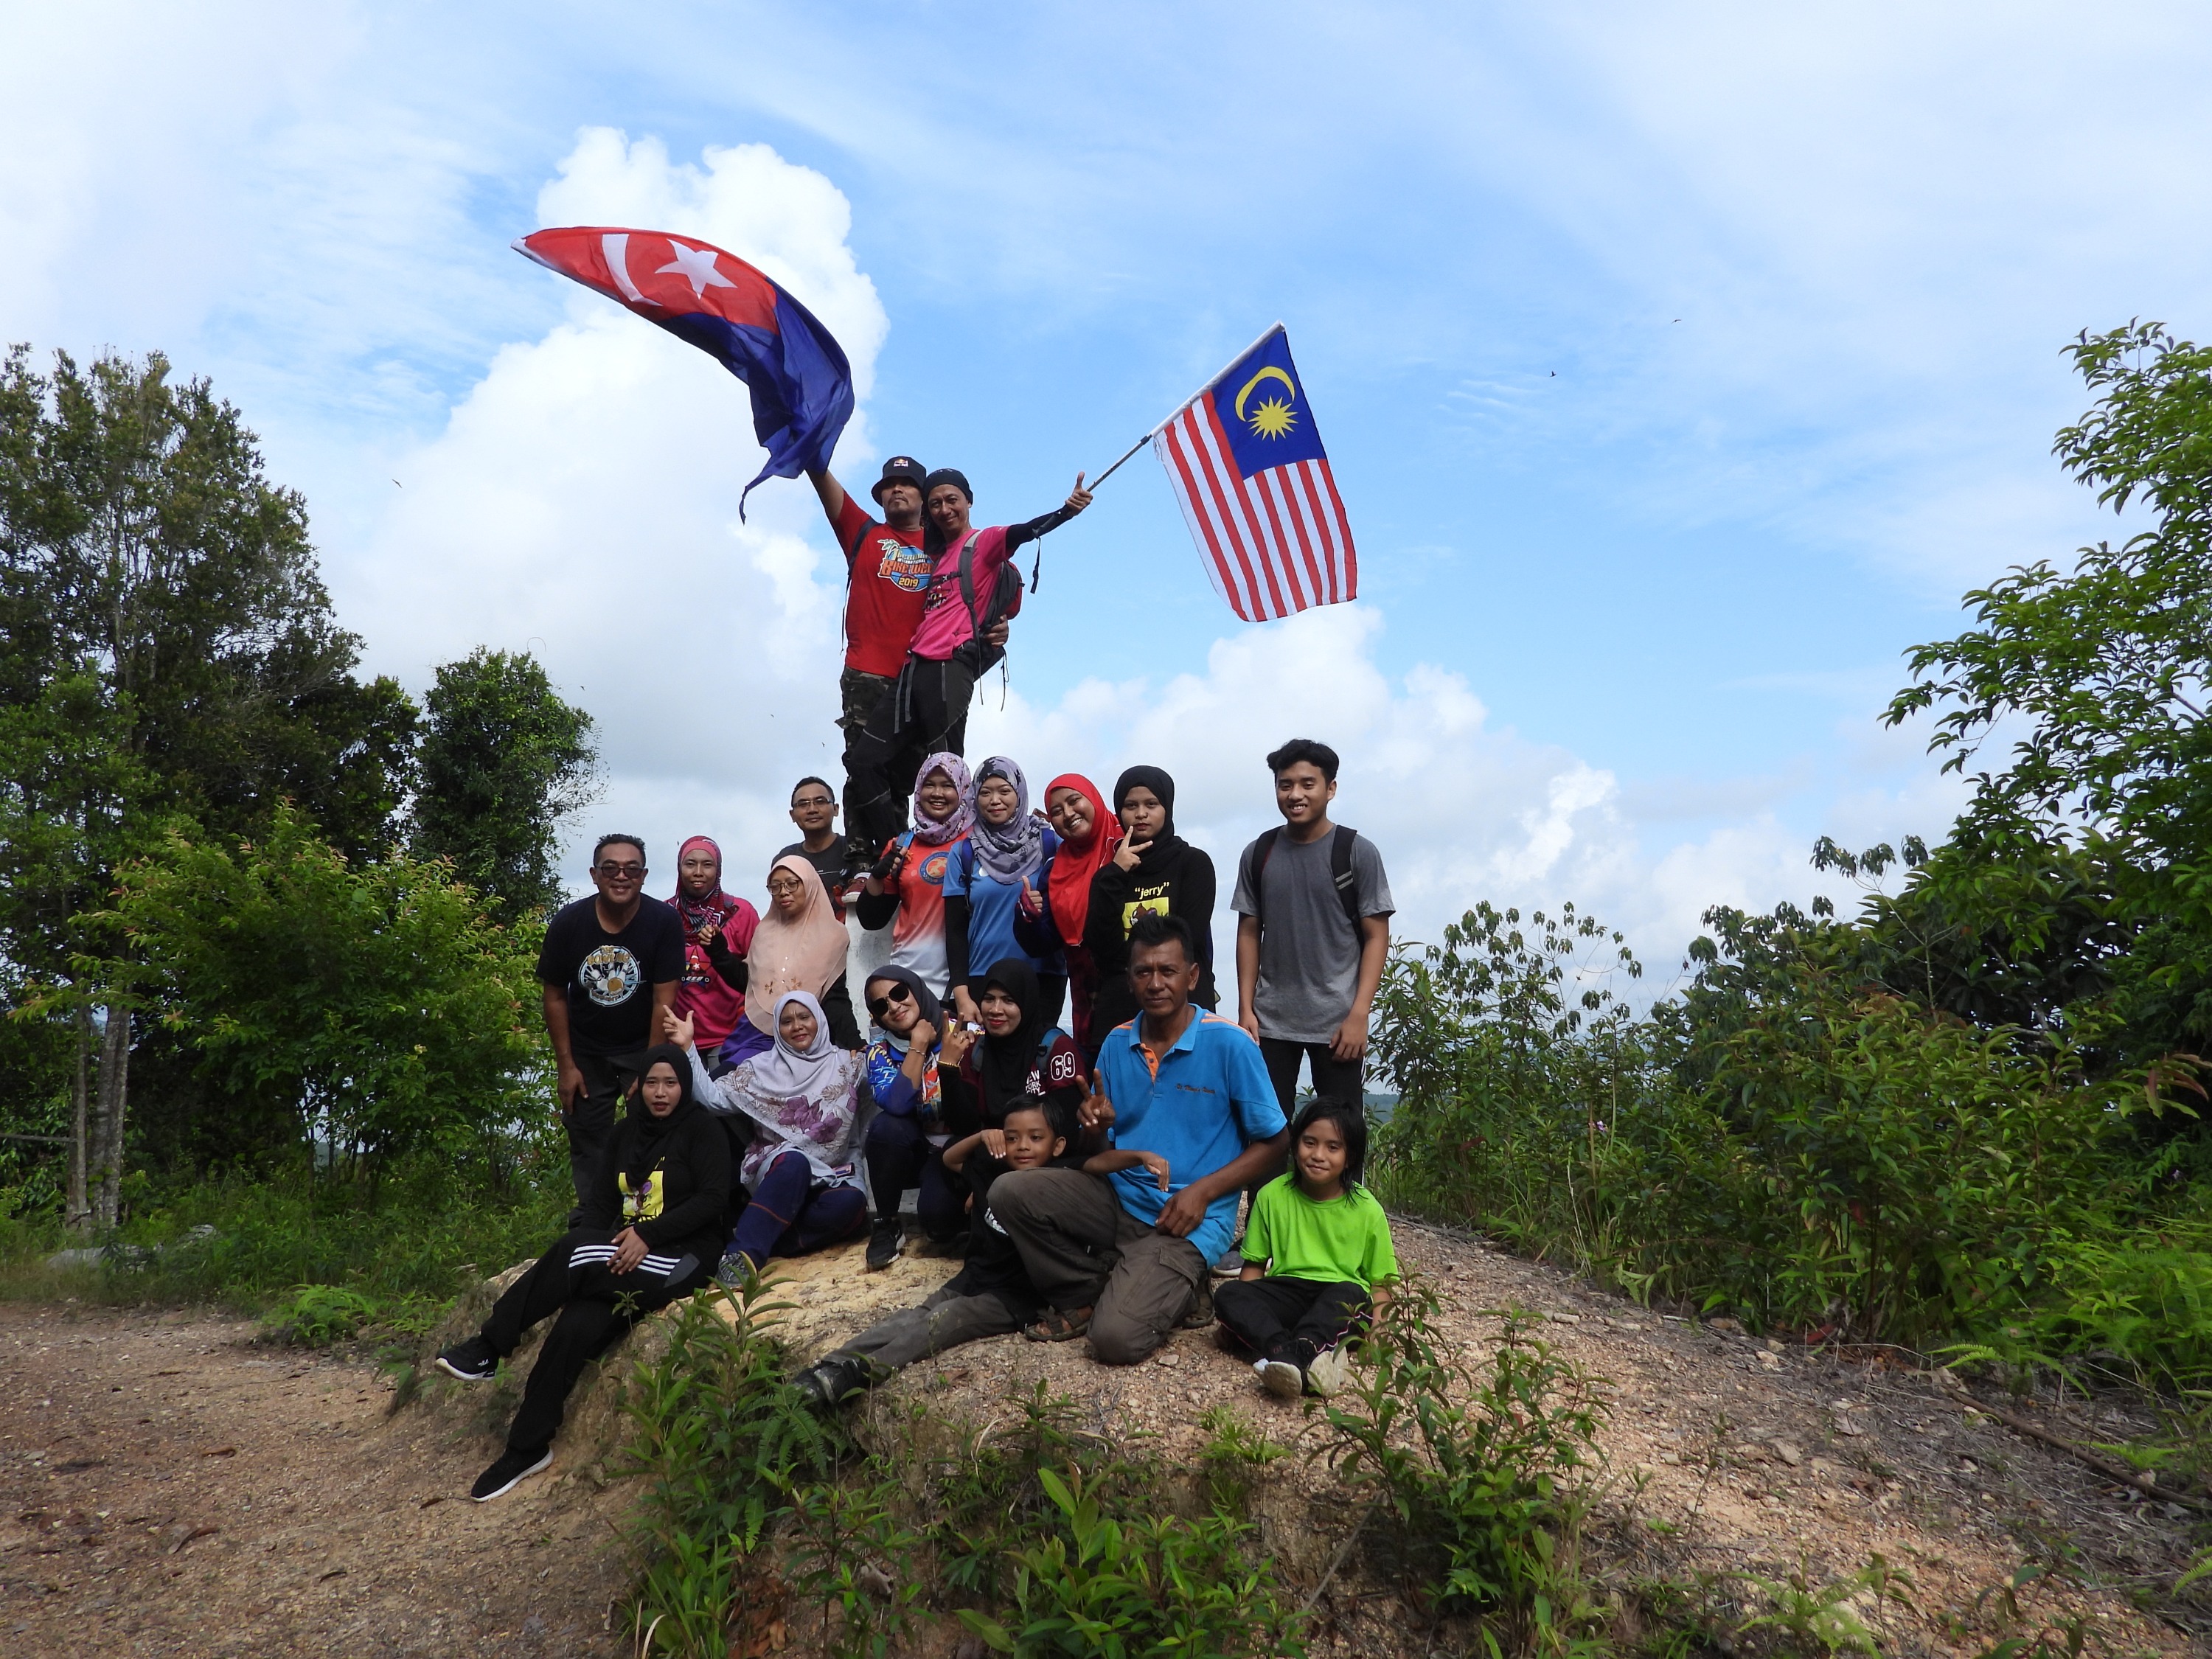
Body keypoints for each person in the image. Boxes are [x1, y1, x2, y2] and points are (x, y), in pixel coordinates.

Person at [989, 914, 1287, 1364]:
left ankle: (1176, 1281)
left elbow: (1276, 1143)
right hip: (1120, 1199)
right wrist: (1094, 1129)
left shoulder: (1229, 1044)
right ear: (1129, 980)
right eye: (1143, 971)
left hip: (1186, 1215)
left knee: (1114, 1341)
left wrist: (1203, 1193)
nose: (1155, 983)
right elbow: (1103, 1154)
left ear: (1192, 976)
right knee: (1009, 1191)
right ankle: (1091, 1287)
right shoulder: (1115, 1043)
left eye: (1168, 971)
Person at [434, 1045, 727, 1501]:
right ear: (639, 1086)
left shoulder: (703, 1131)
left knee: (573, 1251)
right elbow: (601, 1208)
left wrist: (650, 1236)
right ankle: (527, 1446)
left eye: (671, 1083)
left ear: (685, 1085)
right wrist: (594, 1253)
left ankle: (490, 1346)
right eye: (652, 1082)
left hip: (682, 1259)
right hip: (626, 1256)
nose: (661, 1093)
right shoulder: (624, 1134)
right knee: (573, 1327)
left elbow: (713, 1200)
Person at [843, 468, 1093, 852]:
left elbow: (1025, 531)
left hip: (949, 670)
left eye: (952, 500)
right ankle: (896, 849)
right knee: (864, 761)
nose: (944, 509)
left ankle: (951, 853)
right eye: (936, 503)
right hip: (913, 670)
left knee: (946, 773)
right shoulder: (935, 554)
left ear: (968, 501)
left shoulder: (985, 542)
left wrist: (1066, 511)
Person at [793, 1096, 1078, 1406]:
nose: (1023, 1146)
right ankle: (829, 1365)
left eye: (1036, 1138)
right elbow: (950, 1159)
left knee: (944, 1320)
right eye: (1012, 1138)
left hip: (1013, 1297)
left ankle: (859, 1373)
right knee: (914, 1316)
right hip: (973, 1278)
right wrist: (982, 1136)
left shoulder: (1057, 1185)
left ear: (1057, 1145)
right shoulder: (990, 1169)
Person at [1231, 738, 1394, 1119]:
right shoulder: (1259, 853)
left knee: (1341, 1131)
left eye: (1308, 784)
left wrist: (1359, 1015)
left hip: (1339, 1023)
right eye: (1285, 785)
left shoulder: (1356, 851)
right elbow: (1248, 932)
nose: (1295, 794)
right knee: (1265, 1130)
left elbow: (1376, 936)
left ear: (1330, 789)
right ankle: (1267, 1185)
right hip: (1270, 1021)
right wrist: (1245, 1008)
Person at [537, 835, 687, 1214]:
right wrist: (565, 1066)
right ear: (594, 874)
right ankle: (594, 1219)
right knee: (588, 1139)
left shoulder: (663, 922)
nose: (621, 876)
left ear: (644, 876)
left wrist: (651, 1066)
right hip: (586, 1051)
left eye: (631, 869)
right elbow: (554, 996)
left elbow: (663, 998)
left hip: (642, 1046)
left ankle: (647, 1215)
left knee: (650, 1132)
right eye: (611, 868)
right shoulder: (570, 922)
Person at [1215, 1096, 1399, 1401]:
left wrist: (1379, 1334)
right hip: (1288, 1291)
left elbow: (1380, 1283)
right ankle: (1291, 1354)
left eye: (1333, 1147)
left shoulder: (1367, 1209)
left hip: (1338, 1302)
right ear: (1295, 1144)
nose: (1318, 1155)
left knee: (1352, 1295)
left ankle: (1294, 1353)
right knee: (1228, 1294)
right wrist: (1239, 1317)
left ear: (1350, 1157)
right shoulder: (1273, 1196)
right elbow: (1254, 1267)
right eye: (1309, 1142)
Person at [672, 994, 869, 1276]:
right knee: (795, 1164)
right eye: (787, 1021)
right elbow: (711, 1099)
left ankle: (766, 1238)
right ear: (777, 1028)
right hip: (780, 1167)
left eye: (805, 1017)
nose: (797, 1026)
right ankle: (741, 1256)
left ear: (819, 1020)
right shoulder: (760, 1068)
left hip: (834, 1172)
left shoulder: (847, 1064)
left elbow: (885, 1083)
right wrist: (689, 1048)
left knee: (851, 1205)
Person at [1083, 766, 1218, 1060]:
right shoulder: (1108, 877)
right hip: (1122, 1012)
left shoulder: (1193, 864)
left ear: (1167, 809)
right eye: (1131, 806)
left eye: (1151, 805)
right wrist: (1116, 873)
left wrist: (1131, 960)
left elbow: (1188, 938)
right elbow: (1099, 946)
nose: (1141, 814)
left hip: (1183, 1012)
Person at [856, 964, 976, 1270]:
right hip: (915, 1151)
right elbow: (895, 1103)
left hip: (960, 1147)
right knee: (884, 1128)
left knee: (939, 1225)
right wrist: (918, 1046)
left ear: (916, 988)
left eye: (899, 993)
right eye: (881, 1005)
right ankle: (886, 1224)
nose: (894, 1006)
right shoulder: (879, 1051)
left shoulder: (961, 1028)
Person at [703, 855, 862, 1068]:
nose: (783, 892)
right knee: (728, 1079)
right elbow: (750, 984)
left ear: (810, 884)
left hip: (804, 1038)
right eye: (775, 887)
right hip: (757, 1034)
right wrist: (718, 950)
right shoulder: (764, 932)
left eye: (792, 884)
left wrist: (853, 1040)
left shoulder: (833, 935)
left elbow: (834, 996)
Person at [945, 756, 1062, 1026]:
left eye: (1004, 791)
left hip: (1042, 976)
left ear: (1019, 794)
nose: (994, 800)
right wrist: (962, 994)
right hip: (982, 978)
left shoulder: (1050, 843)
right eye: (985, 792)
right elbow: (955, 930)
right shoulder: (964, 851)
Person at [853, 754, 973, 999]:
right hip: (909, 982)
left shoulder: (979, 842)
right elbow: (872, 920)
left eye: (947, 785)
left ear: (963, 789)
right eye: (929, 785)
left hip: (965, 983)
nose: (937, 793)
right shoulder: (902, 844)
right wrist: (876, 876)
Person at [1038, 773, 1122, 1057]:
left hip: (1140, 985)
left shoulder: (1127, 842)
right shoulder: (1054, 868)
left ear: (1094, 798)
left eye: (1075, 801)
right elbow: (1046, 940)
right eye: (1056, 812)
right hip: (1089, 998)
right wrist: (1027, 918)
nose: (1068, 814)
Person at [666, 836, 759, 1061]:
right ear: (679, 868)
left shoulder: (740, 912)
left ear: (718, 870)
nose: (698, 872)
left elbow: (759, 973)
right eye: (690, 864)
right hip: (679, 1036)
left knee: (722, 1096)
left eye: (707, 865)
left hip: (731, 1037)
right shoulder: (665, 916)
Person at [776, 776, 864, 902]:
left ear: (836, 809)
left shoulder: (858, 850)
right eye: (803, 804)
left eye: (820, 801)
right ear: (792, 815)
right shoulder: (786, 859)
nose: (812, 810)